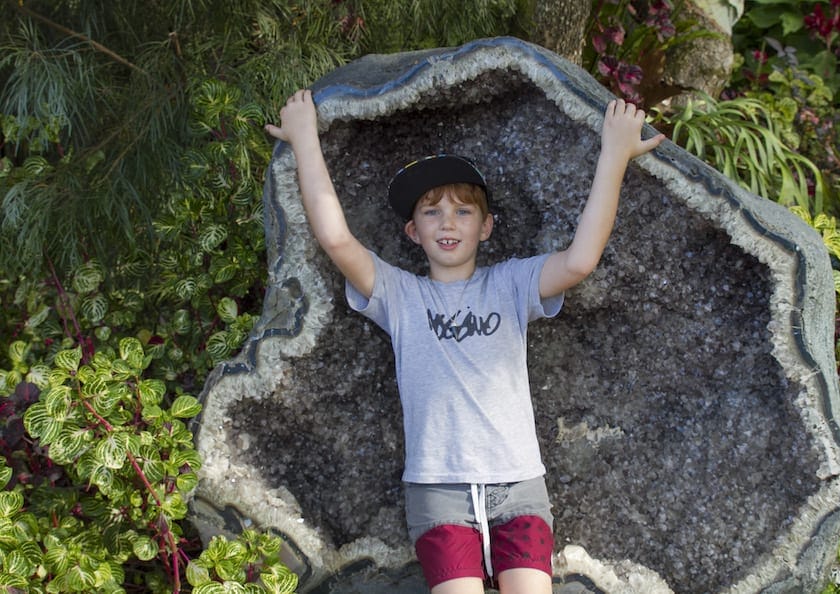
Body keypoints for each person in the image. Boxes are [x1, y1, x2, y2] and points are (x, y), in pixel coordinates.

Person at [266, 88, 664, 594]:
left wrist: (615, 152)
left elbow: (580, 261)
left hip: (518, 485)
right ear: (413, 231)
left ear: (487, 226)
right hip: (438, 492)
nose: (447, 223)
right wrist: (305, 140)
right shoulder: (400, 295)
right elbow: (337, 239)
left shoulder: (512, 284)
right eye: (431, 212)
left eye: (463, 212)